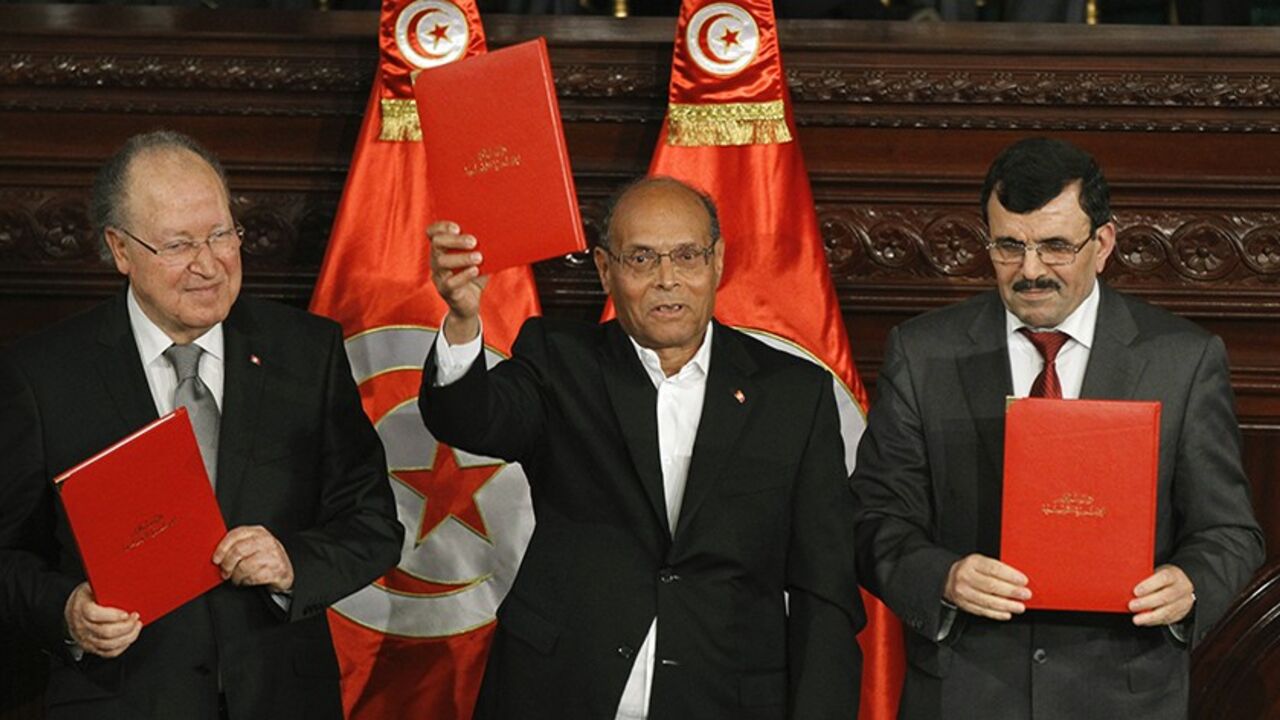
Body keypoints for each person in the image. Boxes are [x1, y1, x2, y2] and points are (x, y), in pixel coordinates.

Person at [850, 136, 1264, 719]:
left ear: (1103, 244)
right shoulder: (922, 354)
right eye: (1009, 246)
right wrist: (942, 577)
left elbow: (1230, 532)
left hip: (1123, 695)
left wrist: (1189, 583)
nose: (1030, 271)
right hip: (966, 692)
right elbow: (874, 517)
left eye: (1055, 247)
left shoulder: (1182, 361)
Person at [419, 177, 864, 719]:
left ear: (718, 260)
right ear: (606, 270)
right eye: (642, 259)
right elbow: (469, 419)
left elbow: (825, 585)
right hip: (561, 690)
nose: (667, 280)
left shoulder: (793, 393)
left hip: (728, 699)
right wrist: (465, 321)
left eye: (687, 256)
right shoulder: (560, 362)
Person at [0, 130, 404, 720]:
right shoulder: (43, 375)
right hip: (121, 700)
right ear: (120, 249)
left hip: (279, 696)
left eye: (221, 235)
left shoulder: (306, 352)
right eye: (178, 245)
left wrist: (294, 563)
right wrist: (67, 610)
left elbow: (373, 524)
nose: (209, 264)